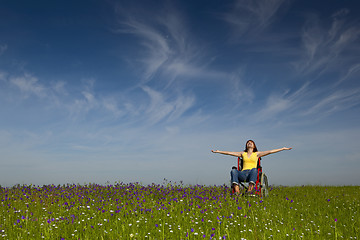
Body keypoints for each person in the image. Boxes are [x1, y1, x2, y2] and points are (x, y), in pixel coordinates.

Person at [212, 140, 292, 195]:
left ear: (254, 146)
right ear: (246, 146)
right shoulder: (242, 153)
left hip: (252, 173)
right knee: (233, 171)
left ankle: (249, 191)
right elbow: (230, 153)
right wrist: (218, 151)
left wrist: (283, 148)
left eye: (251, 142)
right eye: (248, 143)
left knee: (254, 169)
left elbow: (270, 151)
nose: (249, 143)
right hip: (243, 173)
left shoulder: (257, 154)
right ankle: (237, 192)